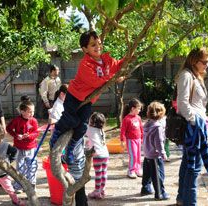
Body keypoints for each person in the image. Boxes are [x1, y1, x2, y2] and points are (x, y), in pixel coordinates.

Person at [50, 30, 125, 164]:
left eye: (99, 43)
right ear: (85, 49)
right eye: (93, 45)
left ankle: (70, 151)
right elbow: (95, 81)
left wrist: (130, 57)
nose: (98, 47)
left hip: (87, 100)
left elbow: (118, 65)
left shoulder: (106, 60)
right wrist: (114, 78)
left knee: (82, 126)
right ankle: (55, 137)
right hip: (74, 96)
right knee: (71, 120)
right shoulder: (85, 64)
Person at [175, 47, 208, 206]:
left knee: (188, 164)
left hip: (195, 126)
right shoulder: (186, 75)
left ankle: (182, 199)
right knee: (194, 168)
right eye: (205, 62)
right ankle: (189, 202)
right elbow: (182, 104)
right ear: (195, 61)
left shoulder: (193, 75)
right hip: (193, 128)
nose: (207, 65)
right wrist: (196, 122)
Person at [0, 125, 25, 206]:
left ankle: (15, 200)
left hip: (3, 174)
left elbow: (15, 151)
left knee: (9, 188)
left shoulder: (6, 145)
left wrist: (9, 161)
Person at [6, 100, 39, 193]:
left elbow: (36, 133)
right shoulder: (17, 120)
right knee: (19, 167)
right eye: (30, 112)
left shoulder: (34, 121)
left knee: (31, 166)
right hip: (19, 148)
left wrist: (29, 136)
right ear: (22, 112)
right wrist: (16, 135)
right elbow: (8, 128)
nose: (32, 113)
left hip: (31, 148)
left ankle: (32, 185)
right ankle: (19, 186)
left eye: (33, 111)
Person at [140, 101, 170, 200]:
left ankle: (145, 188)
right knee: (158, 175)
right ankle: (160, 193)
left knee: (147, 173)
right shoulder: (158, 127)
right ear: (161, 114)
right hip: (155, 155)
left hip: (147, 153)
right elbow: (159, 142)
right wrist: (163, 154)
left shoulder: (147, 124)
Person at [86, 112, 109, 199]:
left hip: (97, 155)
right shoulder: (101, 131)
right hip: (105, 154)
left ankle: (97, 191)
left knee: (98, 173)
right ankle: (102, 189)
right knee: (104, 173)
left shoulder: (89, 129)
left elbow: (82, 130)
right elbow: (95, 140)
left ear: (93, 123)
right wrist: (88, 142)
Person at [120, 98, 143, 179]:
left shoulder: (138, 118)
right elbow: (123, 130)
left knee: (138, 155)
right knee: (133, 156)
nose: (140, 110)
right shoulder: (126, 119)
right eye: (138, 108)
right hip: (130, 140)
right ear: (133, 108)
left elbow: (141, 128)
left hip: (138, 140)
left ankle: (137, 169)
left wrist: (142, 138)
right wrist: (122, 140)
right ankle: (131, 170)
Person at [61, 137, 88, 206]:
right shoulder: (81, 137)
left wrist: (60, 159)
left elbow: (69, 157)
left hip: (76, 170)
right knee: (81, 191)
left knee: (78, 194)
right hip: (81, 167)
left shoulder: (73, 141)